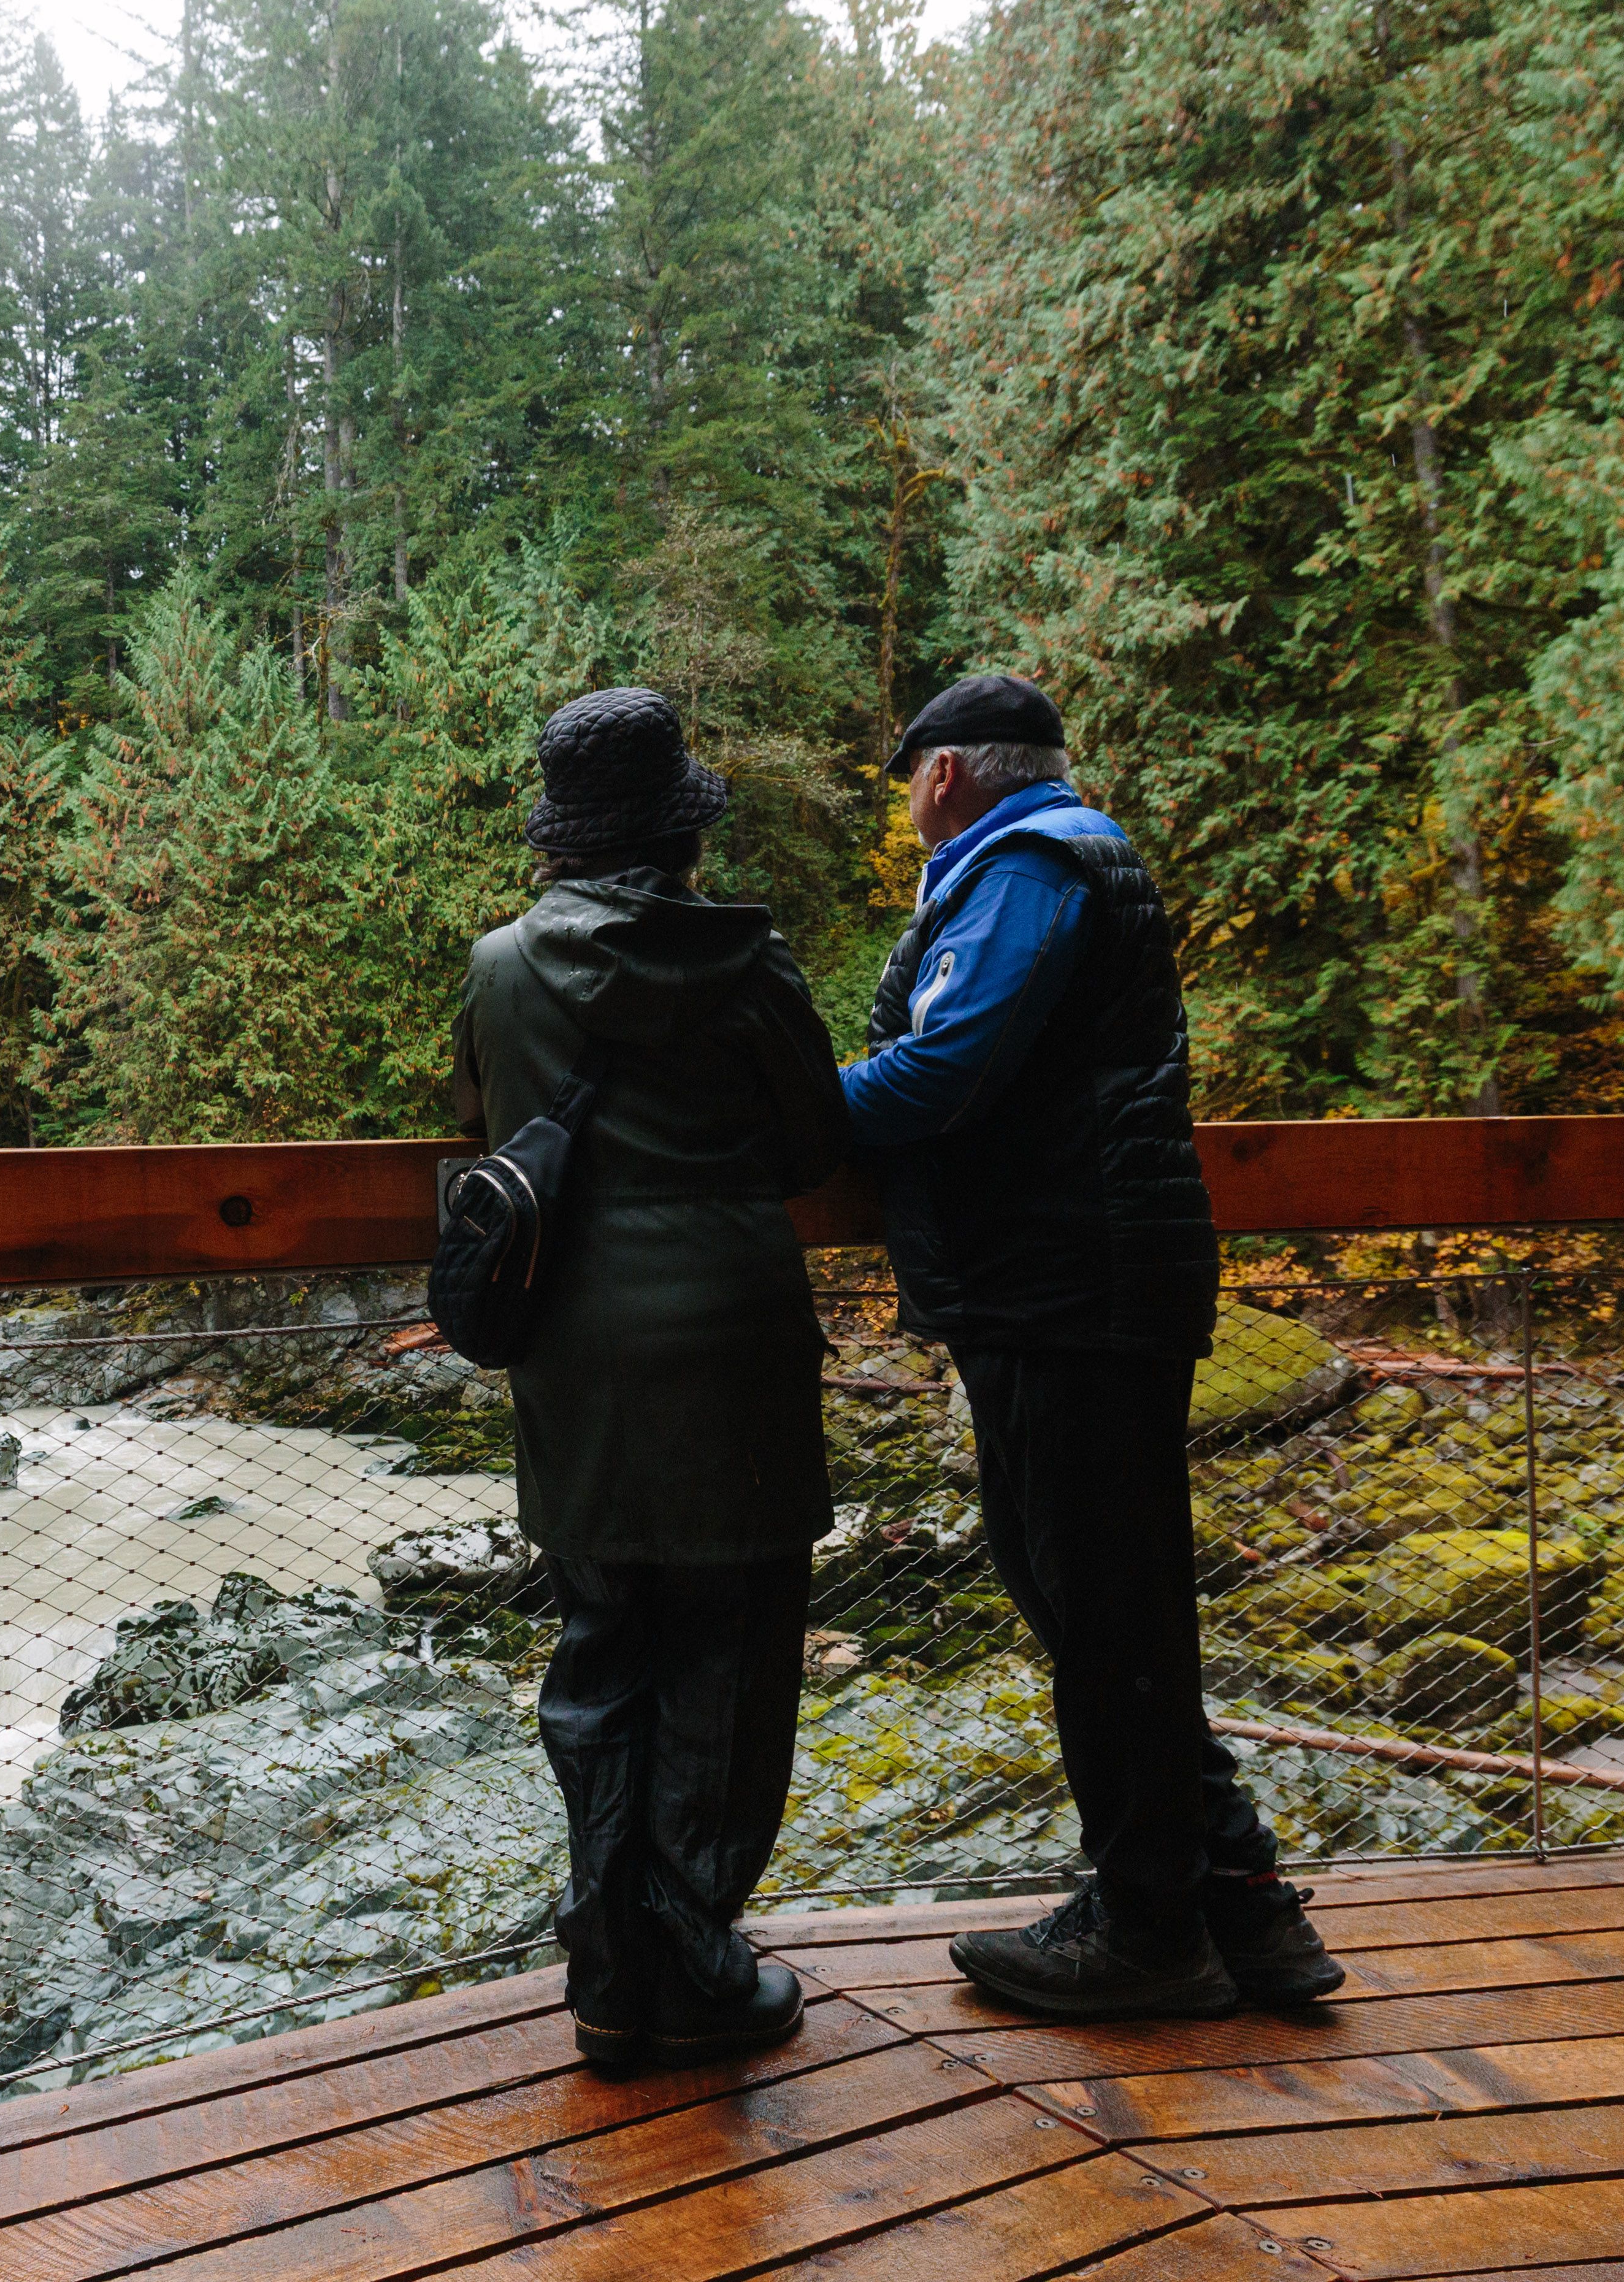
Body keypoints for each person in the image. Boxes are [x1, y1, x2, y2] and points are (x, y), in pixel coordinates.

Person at [840, 673, 1344, 2016]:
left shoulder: (1026, 870)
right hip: (1071, 1276)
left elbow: (944, 1069)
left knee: (1103, 1609)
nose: (908, 801)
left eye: (909, 778)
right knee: (1095, 1601)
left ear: (944, 772)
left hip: (1071, 1282)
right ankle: (1236, 1896)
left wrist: (784, 1111)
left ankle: (1147, 1934)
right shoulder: (1064, 855)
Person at [450, 686, 849, 2072]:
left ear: (563, 835)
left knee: (601, 1655)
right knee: (730, 1667)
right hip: (733, 1348)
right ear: (680, 832)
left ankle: (612, 1968)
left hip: (575, 1356)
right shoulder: (751, 962)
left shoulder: (500, 968)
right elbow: (816, 1146)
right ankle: (692, 1957)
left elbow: (484, 1124)